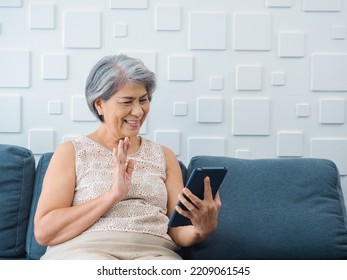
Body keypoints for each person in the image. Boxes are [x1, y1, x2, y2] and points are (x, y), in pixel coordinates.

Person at [34, 54, 221, 260]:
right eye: (127, 102)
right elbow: (44, 232)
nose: (138, 111)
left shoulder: (164, 156)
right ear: (99, 104)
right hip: (85, 252)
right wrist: (112, 196)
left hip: (154, 253)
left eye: (144, 99)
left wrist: (202, 229)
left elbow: (177, 232)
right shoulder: (71, 152)